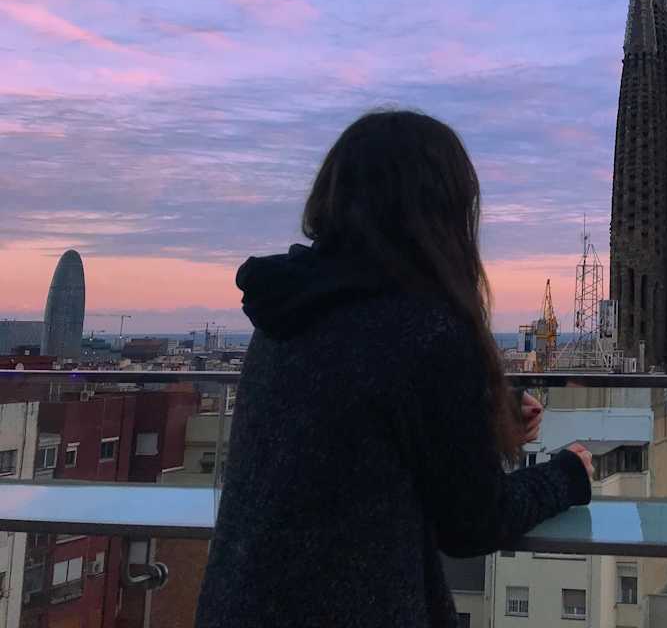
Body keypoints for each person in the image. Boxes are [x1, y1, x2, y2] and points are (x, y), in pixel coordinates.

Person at [196, 110, 593, 628]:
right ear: (440, 213)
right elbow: (473, 522)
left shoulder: (287, 308)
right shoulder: (425, 327)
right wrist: (567, 476)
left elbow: (359, 438)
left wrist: (482, 416)